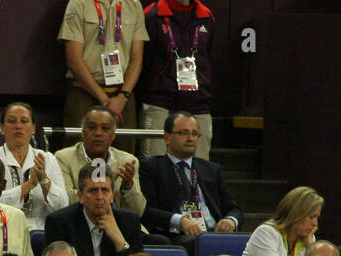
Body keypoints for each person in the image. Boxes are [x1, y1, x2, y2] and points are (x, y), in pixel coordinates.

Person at [139, 111, 241, 254]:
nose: (190, 138)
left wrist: (230, 220)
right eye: (184, 133)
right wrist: (179, 221)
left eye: (194, 134)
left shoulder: (211, 169)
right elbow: (146, 210)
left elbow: (234, 208)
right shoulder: (151, 167)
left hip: (213, 232)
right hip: (179, 235)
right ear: (167, 137)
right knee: (198, 244)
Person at [58, 0, 149, 151]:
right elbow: (74, 59)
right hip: (84, 93)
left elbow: (137, 59)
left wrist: (122, 97)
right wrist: (104, 100)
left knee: (124, 157)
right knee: (78, 153)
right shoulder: (78, 4)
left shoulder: (133, 5)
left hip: (122, 97)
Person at [43, 163, 146, 256]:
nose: (99, 197)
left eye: (105, 190)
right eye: (93, 190)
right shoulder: (60, 222)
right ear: (80, 196)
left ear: (112, 196)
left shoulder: (128, 221)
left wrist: (119, 240)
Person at [137, 0, 218, 159]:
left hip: (197, 102)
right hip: (159, 101)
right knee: (155, 166)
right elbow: (143, 63)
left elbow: (209, 58)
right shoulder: (152, 15)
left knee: (201, 169)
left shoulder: (206, 16)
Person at [0, 102, 69, 230]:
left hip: (42, 234)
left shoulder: (47, 159)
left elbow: (62, 206)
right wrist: (29, 185)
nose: (18, 126)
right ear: (2, 127)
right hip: (2, 231)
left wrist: (44, 180)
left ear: (33, 127)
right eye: (11, 121)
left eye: (24, 121)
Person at [53, 107, 145, 216]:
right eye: (92, 128)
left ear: (113, 135)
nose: (98, 133)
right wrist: (107, 184)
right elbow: (64, 202)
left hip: (120, 226)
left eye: (105, 128)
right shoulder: (63, 158)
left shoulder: (128, 161)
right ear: (82, 133)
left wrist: (128, 186)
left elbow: (138, 212)